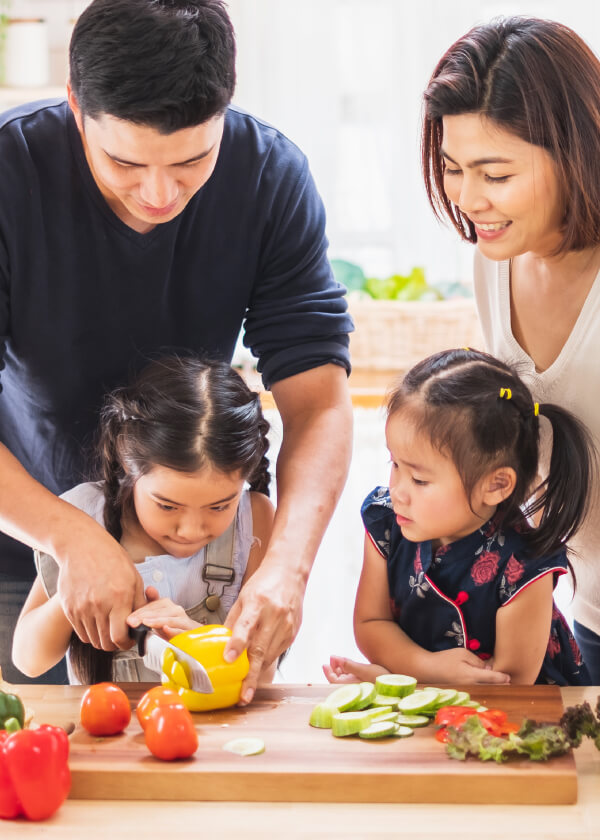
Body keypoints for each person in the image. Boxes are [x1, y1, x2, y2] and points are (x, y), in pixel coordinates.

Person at [0, 0, 353, 697]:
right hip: (23, 533)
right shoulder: (11, 173)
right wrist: (71, 537)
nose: (159, 193)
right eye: (124, 161)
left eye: (193, 159)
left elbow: (318, 403)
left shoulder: (269, 177)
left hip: (199, 544)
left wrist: (285, 566)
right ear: (75, 104)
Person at [419, 16, 600, 683]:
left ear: (575, 151)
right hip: (589, 609)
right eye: (453, 168)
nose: (468, 200)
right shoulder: (497, 262)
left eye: (494, 174)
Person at [325, 349, 593, 687]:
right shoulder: (386, 522)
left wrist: (400, 679)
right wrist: (423, 669)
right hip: (431, 701)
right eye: (395, 464)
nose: (397, 491)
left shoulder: (525, 563)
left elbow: (506, 683)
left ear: (496, 485)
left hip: (520, 716)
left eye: (419, 480)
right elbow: (371, 623)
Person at [12, 356, 276, 684]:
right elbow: (28, 659)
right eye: (167, 506)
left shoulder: (255, 521)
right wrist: (76, 595)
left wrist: (197, 640)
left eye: (220, 507)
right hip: (104, 730)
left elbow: (263, 676)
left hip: (214, 733)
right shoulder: (83, 515)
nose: (191, 530)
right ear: (128, 463)